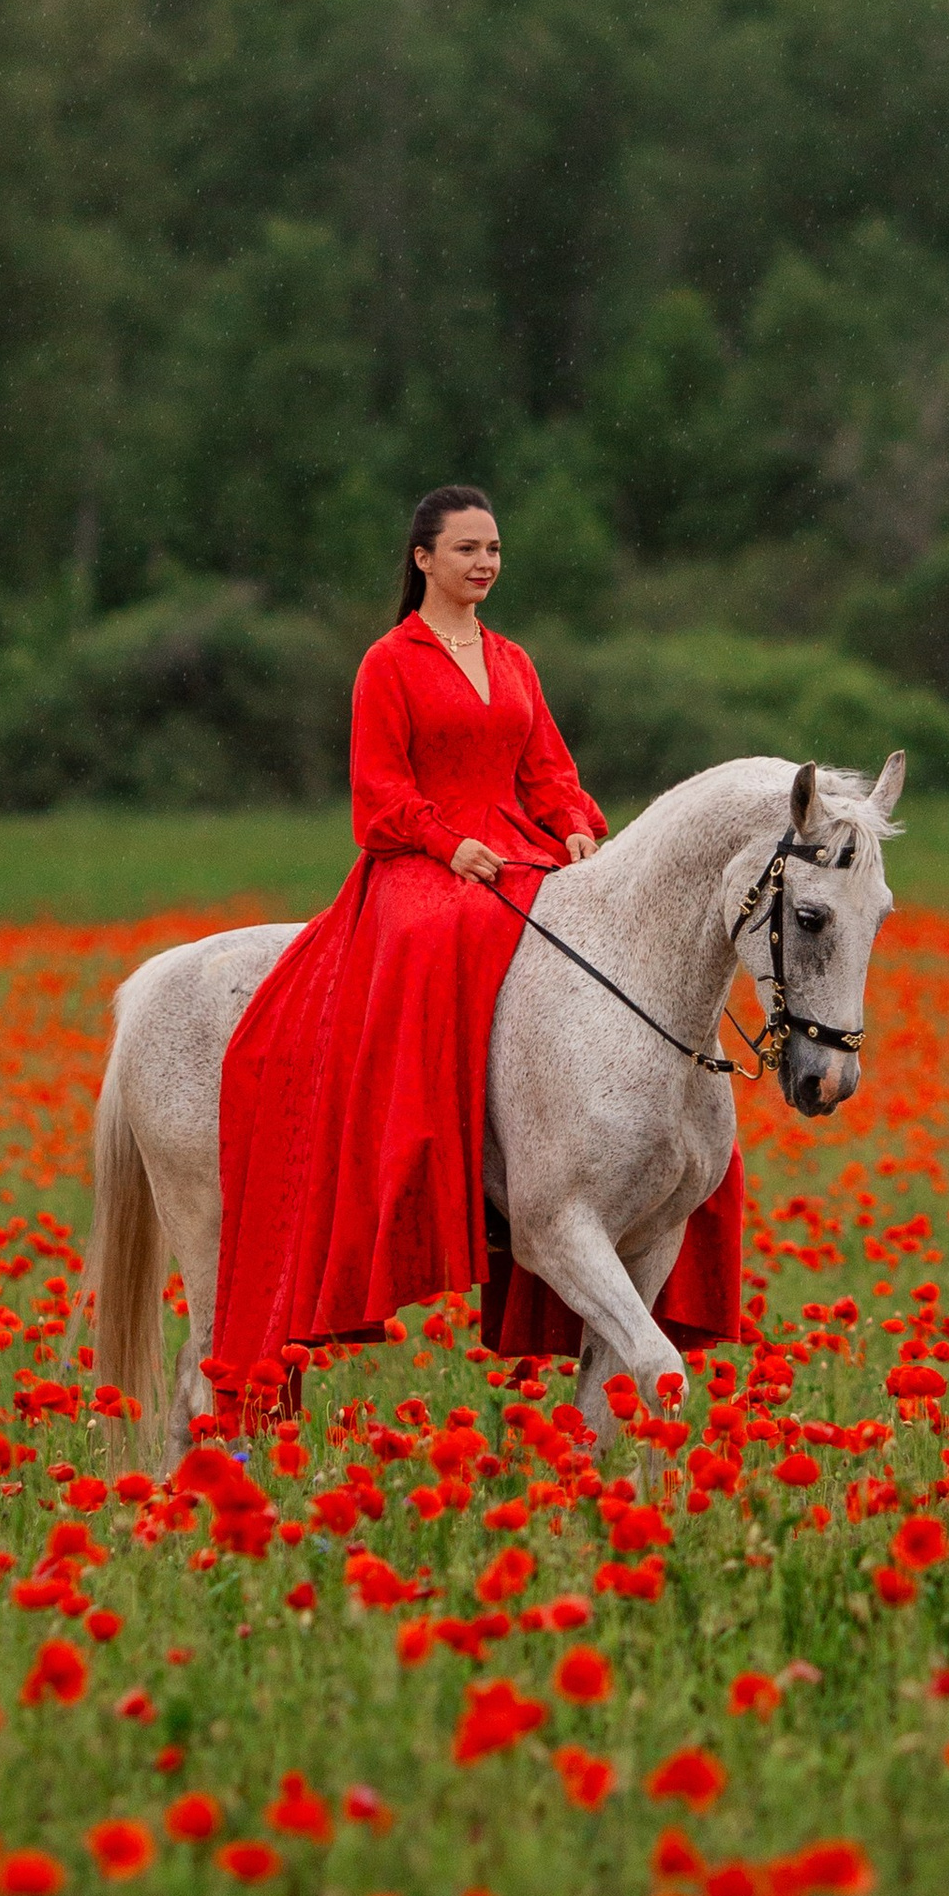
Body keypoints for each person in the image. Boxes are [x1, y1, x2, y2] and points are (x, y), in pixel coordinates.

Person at [208, 483, 742, 1407]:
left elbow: (549, 771)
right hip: (422, 860)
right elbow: (376, 793)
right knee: (448, 936)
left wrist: (574, 824)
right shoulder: (388, 663)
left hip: (520, 848)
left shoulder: (513, 659)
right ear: (423, 560)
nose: (485, 563)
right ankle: (436, 1158)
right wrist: (447, 841)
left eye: (493, 549)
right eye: (466, 549)